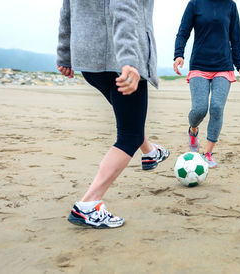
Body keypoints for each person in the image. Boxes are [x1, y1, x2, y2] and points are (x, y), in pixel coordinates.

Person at [56, 0, 169, 229]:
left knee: (130, 120)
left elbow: (66, 11)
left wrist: (64, 55)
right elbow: (124, 8)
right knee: (129, 135)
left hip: (89, 62)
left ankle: (150, 152)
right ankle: (89, 204)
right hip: (117, 61)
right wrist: (129, 60)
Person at [173, 0, 240, 168]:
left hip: (223, 66)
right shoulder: (195, 4)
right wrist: (179, 54)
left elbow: (236, 39)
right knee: (199, 109)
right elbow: (183, 32)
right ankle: (193, 130)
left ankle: (207, 153)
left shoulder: (230, 6)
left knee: (216, 107)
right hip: (199, 65)